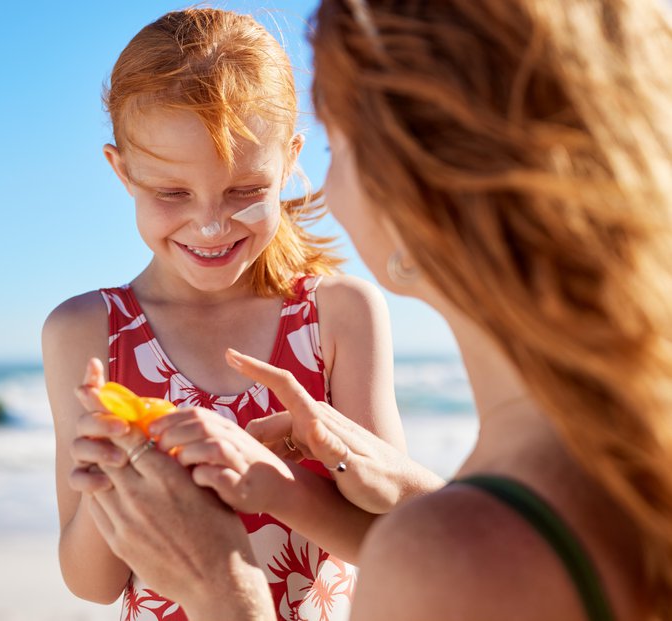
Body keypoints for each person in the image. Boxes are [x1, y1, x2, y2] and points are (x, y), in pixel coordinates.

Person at [71, 0, 672, 620]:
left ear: (411, 180)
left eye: (343, 142)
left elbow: (453, 553)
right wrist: (412, 496)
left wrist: (224, 595)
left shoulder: (449, 555)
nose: (324, 187)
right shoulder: (605, 460)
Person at [42, 8, 411, 621]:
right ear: (122, 170)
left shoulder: (338, 313)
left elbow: (392, 541)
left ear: (290, 160)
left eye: (244, 191)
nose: (212, 225)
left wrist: (265, 479)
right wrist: (108, 478)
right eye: (172, 193)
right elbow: (93, 584)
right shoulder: (87, 332)